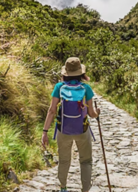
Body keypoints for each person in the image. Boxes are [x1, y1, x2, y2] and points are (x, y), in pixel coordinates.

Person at [41, 57, 99, 192]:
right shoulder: (86, 88)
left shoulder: (59, 87)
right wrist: (97, 113)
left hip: (63, 130)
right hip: (82, 130)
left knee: (64, 160)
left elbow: (51, 111)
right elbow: (91, 113)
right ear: (81, 73)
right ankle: (85, 189)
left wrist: (45, 131)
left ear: (65, 73)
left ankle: (63, 188)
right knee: (86, 161)